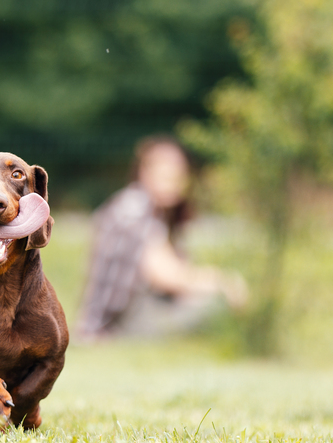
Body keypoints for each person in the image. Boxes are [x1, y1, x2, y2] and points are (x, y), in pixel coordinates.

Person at [76, 136, 246, 340]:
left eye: (178, 177)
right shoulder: (134, 210)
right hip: (115, 325)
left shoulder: (146, 207)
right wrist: (222, 282)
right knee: (215, 303)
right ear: (144, 173)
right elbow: (167, 277)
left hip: (128, 314)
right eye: (165, 176)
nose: (172, 185)